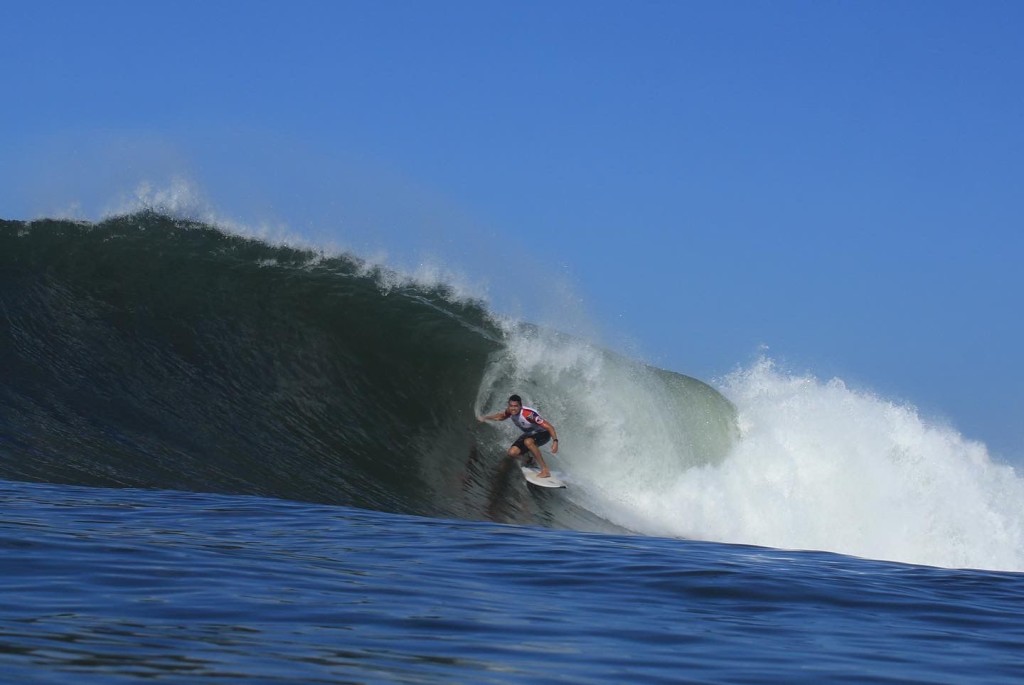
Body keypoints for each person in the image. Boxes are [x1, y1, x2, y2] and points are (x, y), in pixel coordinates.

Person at [478, 394, 559, 478]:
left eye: (516, 406)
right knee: (512, 453)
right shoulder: (510, 411)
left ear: (520, 405)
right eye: (511, 406)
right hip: (530, 434)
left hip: (544, 434)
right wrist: (485, 418)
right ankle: (529, 460)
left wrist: (555, 441)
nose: (513, 408)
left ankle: (545, 470)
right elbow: (501, 417)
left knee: (528, 441)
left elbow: (549, 427)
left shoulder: (529, 414)